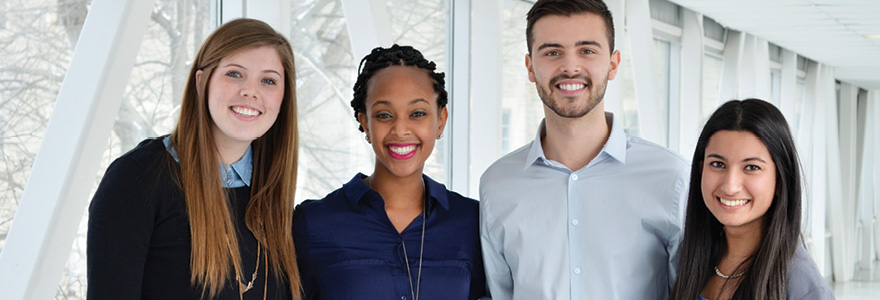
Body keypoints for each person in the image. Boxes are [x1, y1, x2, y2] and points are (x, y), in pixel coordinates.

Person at [479, 0, 690, 299]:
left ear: (613, 64)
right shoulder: (497, 184)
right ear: (530, 67)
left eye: (587, 51)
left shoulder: (672, 177)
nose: (570, 67)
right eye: (552, 52)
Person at [87, 19, 301, 300]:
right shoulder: (138, 178)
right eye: (235, 74)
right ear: (202, 82)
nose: (251, 91)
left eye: (269, 80)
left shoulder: (271, 188)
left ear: (284, 98)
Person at [293, 44, 485, 300]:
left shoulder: (474, 221)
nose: (400, 129)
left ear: (440, 120)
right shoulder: (312, 223)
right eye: (384, 115)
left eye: (417, 113)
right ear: (365, 123)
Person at [669, 99, 834, 300]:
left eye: (752, 167)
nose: (730, 186)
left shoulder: (801, 285)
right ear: (701, 169)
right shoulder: (689, 257)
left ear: (780, 181)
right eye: (718, 164)